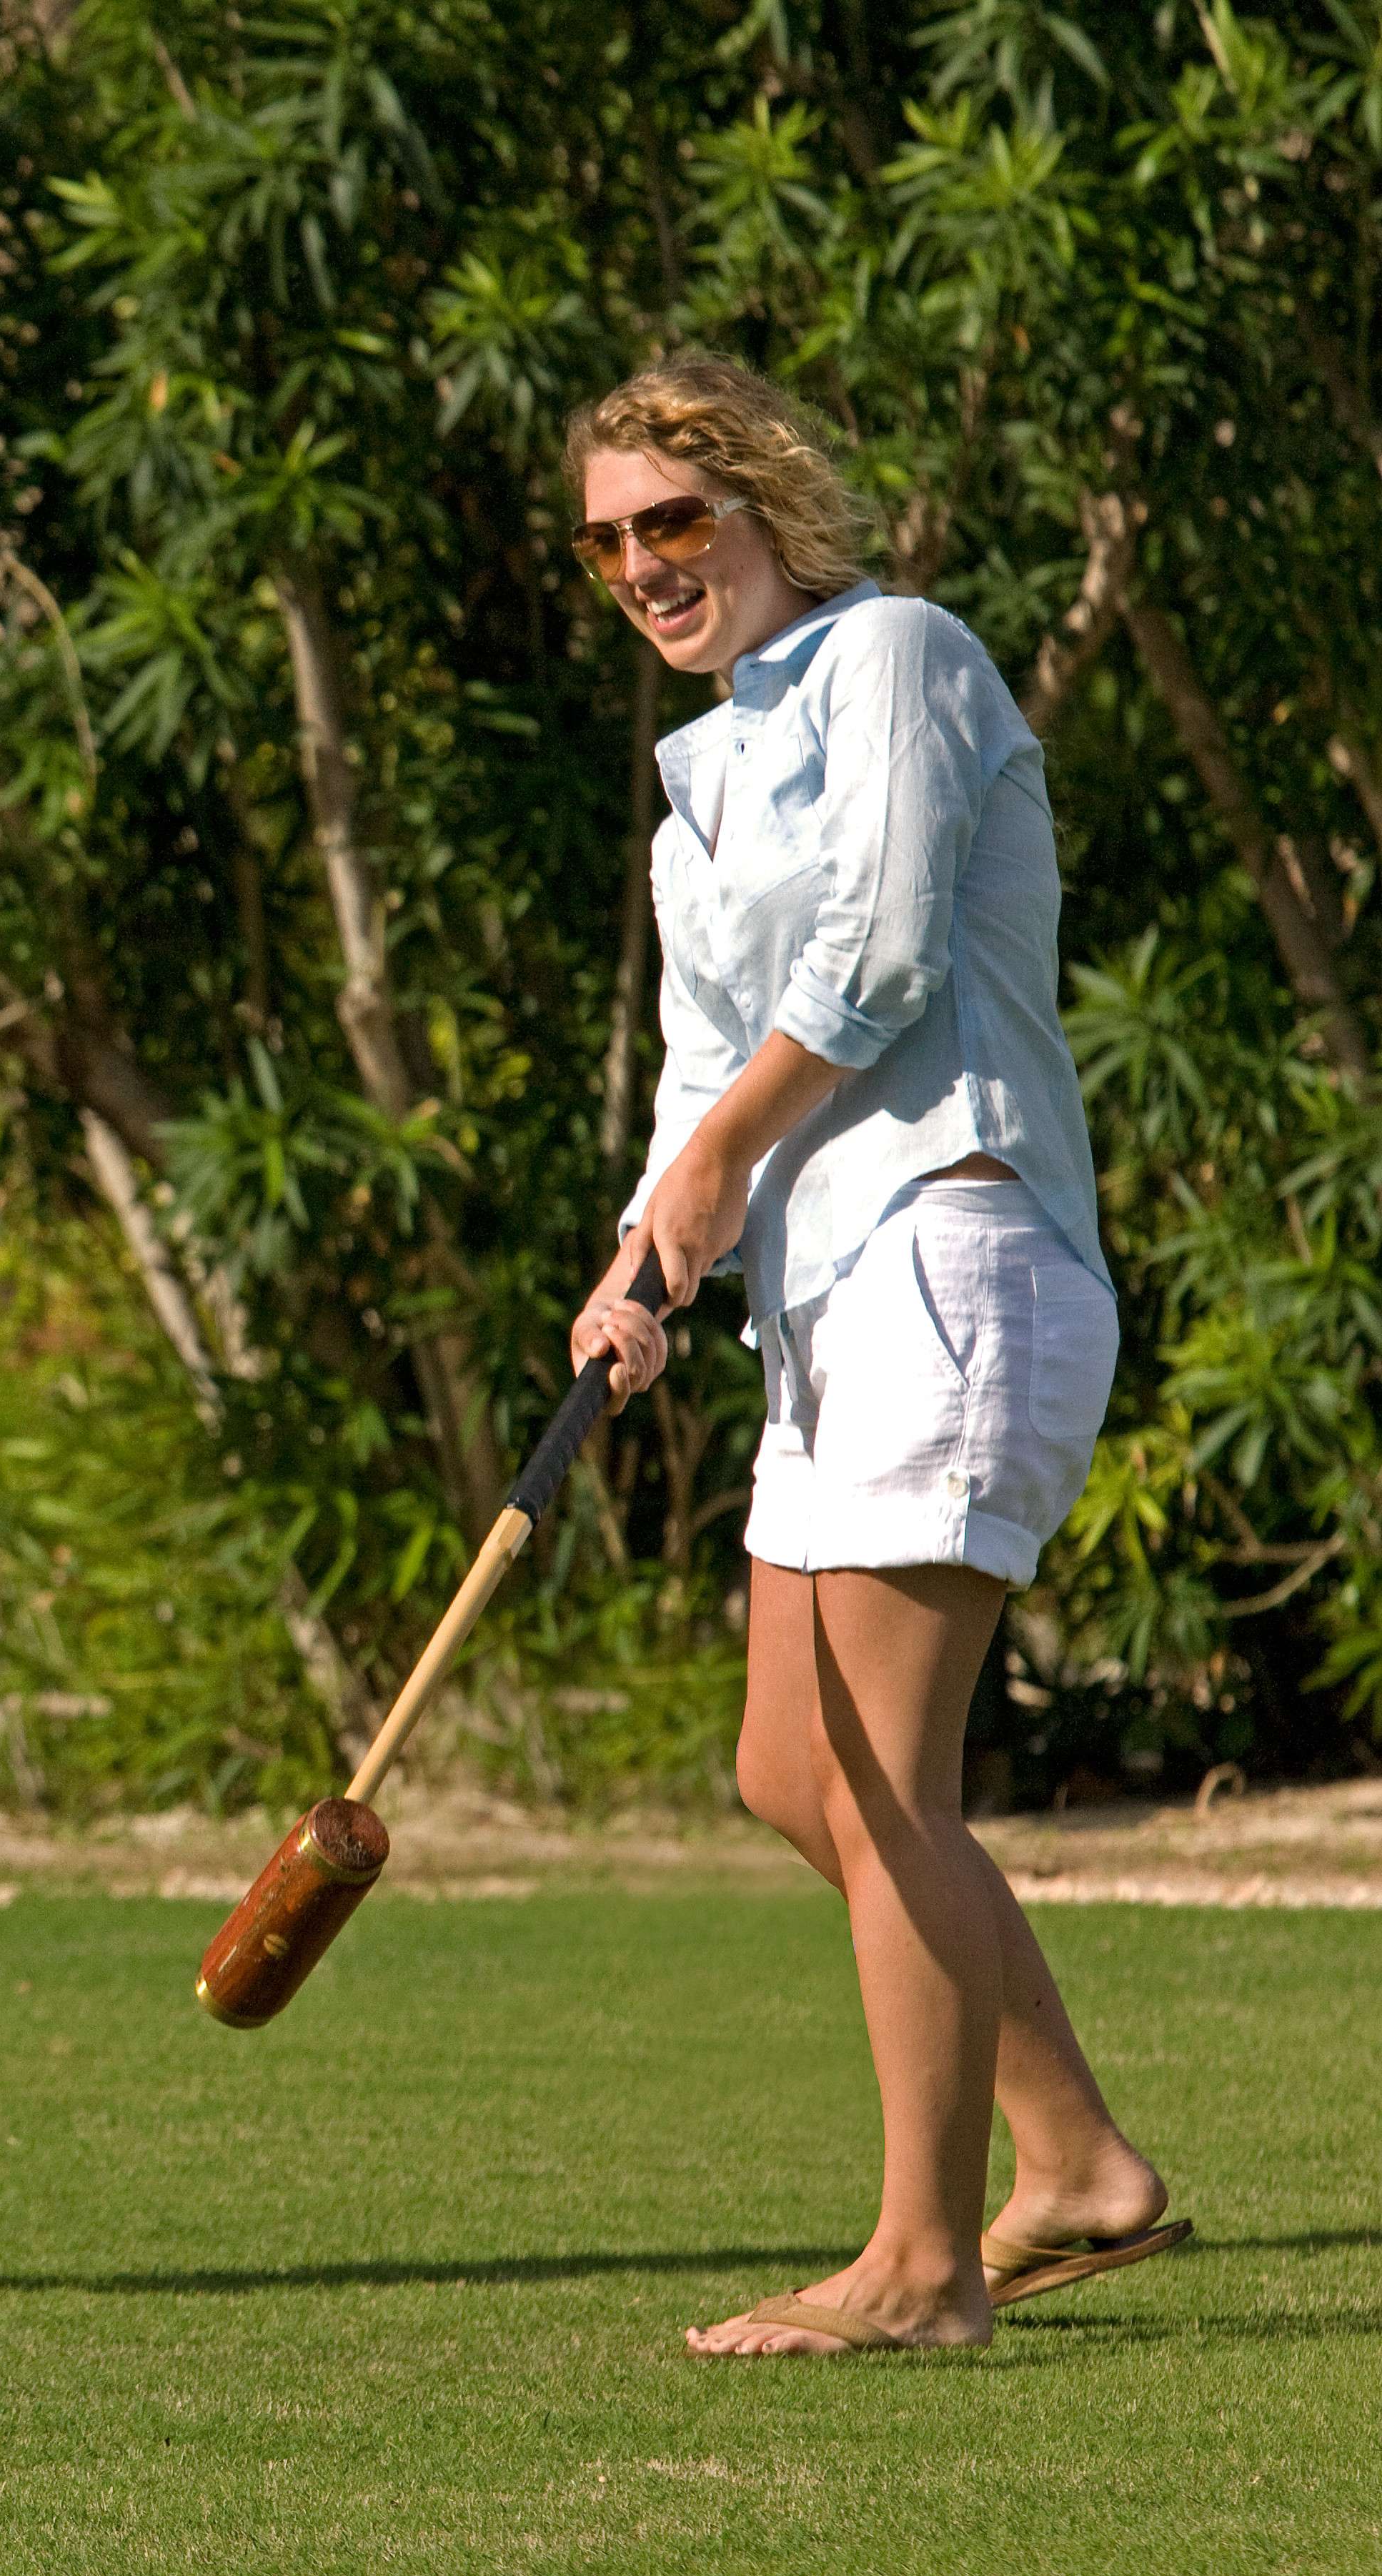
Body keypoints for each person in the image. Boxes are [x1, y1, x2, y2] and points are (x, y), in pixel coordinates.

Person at [564, 357, 1185, 2356]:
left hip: (957, 1241)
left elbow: (894, 948)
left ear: (766, 509)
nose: (647, 564)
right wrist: (644, 1259)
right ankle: (1078, 2165)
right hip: (823, 1309)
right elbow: (697, 1073)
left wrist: (726, 1153)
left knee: (887, 1778)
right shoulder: (700, 780)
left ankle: (923, 2270)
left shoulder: (898, 653)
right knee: (790, 1772)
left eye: (676, 519)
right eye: (610, 540)